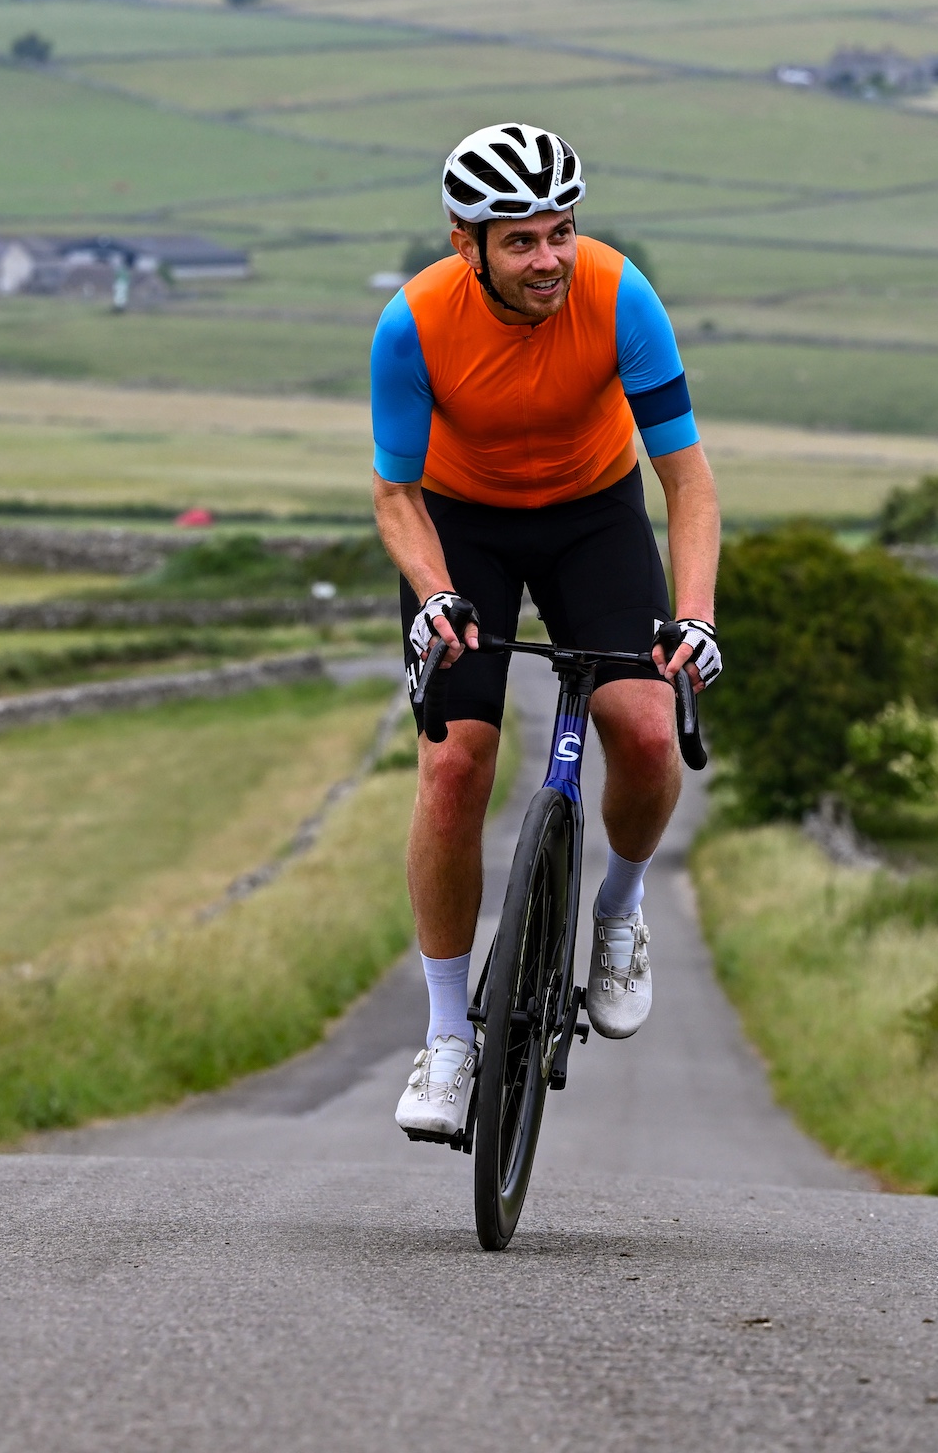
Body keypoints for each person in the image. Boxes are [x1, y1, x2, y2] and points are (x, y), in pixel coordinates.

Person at [371, 123, 721, 1140]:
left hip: (592, 515)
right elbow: (394, 495)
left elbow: (687, 477)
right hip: (458, 523)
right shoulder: (414, 325)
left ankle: (619, 906)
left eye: (561, 231)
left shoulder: (620, 297)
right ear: (463, 243)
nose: (550, 259)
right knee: (455, 763)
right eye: (520, 240)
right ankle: (445, 1039)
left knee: (650, 731)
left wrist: (694, 613)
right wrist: (435, 594)